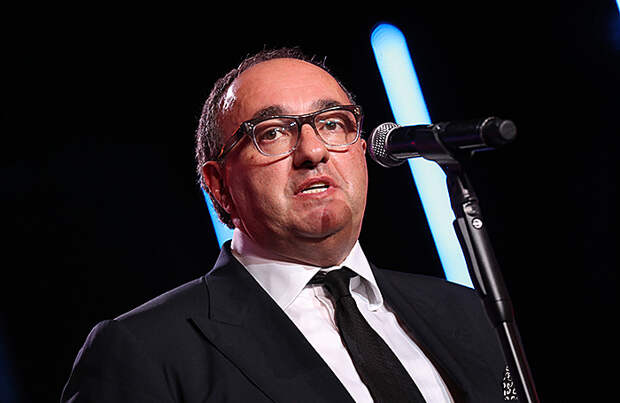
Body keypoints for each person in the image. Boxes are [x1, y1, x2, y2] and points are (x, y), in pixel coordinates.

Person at [61, 47, 512, 402]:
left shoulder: (468, 313)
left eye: (332, 123)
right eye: (273, 132)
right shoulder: (144, 351)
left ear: (361, 152)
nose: (313, 151)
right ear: (218, 185)